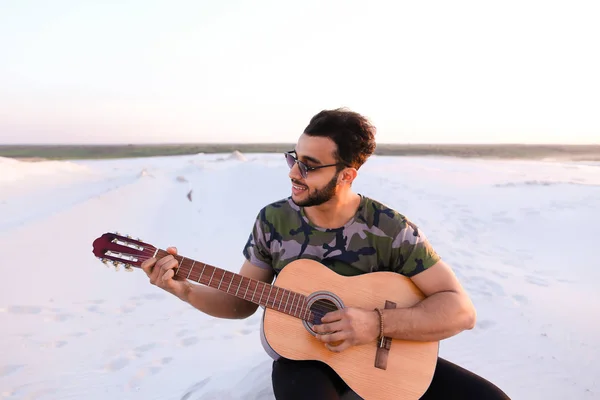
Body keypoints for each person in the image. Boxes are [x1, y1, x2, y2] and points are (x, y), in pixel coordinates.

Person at [141, 108, 510, 399]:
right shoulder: (274, 221)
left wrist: (375, 324)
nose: (294, 174)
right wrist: (184, 289)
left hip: (380, 358)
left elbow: (461, 311)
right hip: (304, 364)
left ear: (347, 175)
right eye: (293, 159)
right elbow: (242, 302)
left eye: (310, 166)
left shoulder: (390, 228)